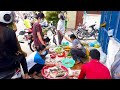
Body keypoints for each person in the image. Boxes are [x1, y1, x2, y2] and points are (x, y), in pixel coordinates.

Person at [0, 11, 30, 79]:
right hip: (10, 65)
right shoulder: (10, 31)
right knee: (22, 56)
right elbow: (15, 49)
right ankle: (26, 75)